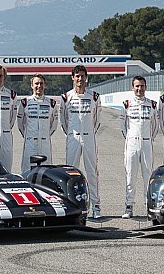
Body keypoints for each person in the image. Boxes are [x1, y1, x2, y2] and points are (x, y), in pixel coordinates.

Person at [61, 65, 102, 219]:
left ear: (86, 77)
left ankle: (96, 206)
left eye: (82, 76)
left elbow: (97, 120)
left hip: (89, 137)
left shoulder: (94, 97)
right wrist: (71, 133)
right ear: (73, 78)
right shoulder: (66, 97)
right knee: (70, 172)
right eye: (77, 76)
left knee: (92, 172)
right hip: (73, 137)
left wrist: (89, 133)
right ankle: (71, 205)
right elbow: (63, 121)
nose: (80, 79)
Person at [120, 76, 158, 219]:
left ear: (145, 87)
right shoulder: (126, 104)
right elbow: (123, 127)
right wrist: (130, 138)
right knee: (130, 175)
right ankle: (129, 206)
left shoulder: (152, 105)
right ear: (132, 87)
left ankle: (149, 207)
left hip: (147, 143)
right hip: (131, 143)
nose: (139, 89)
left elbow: (155, 126)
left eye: (142, 86)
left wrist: (148, 138)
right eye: (137, 86)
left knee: (148, 175)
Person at [16, 73, 58, 174]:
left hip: (45, 142)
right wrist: (27, 135)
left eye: (41, 83)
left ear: (45, 85)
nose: (39, 86)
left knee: (47, 171)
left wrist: (45, 135)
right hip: (30, 142)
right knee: (27, 170)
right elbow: (20, 124)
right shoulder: (25, 102)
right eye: (36, 83)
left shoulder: (51, 103)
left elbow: (54, 124)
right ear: (32, 85)